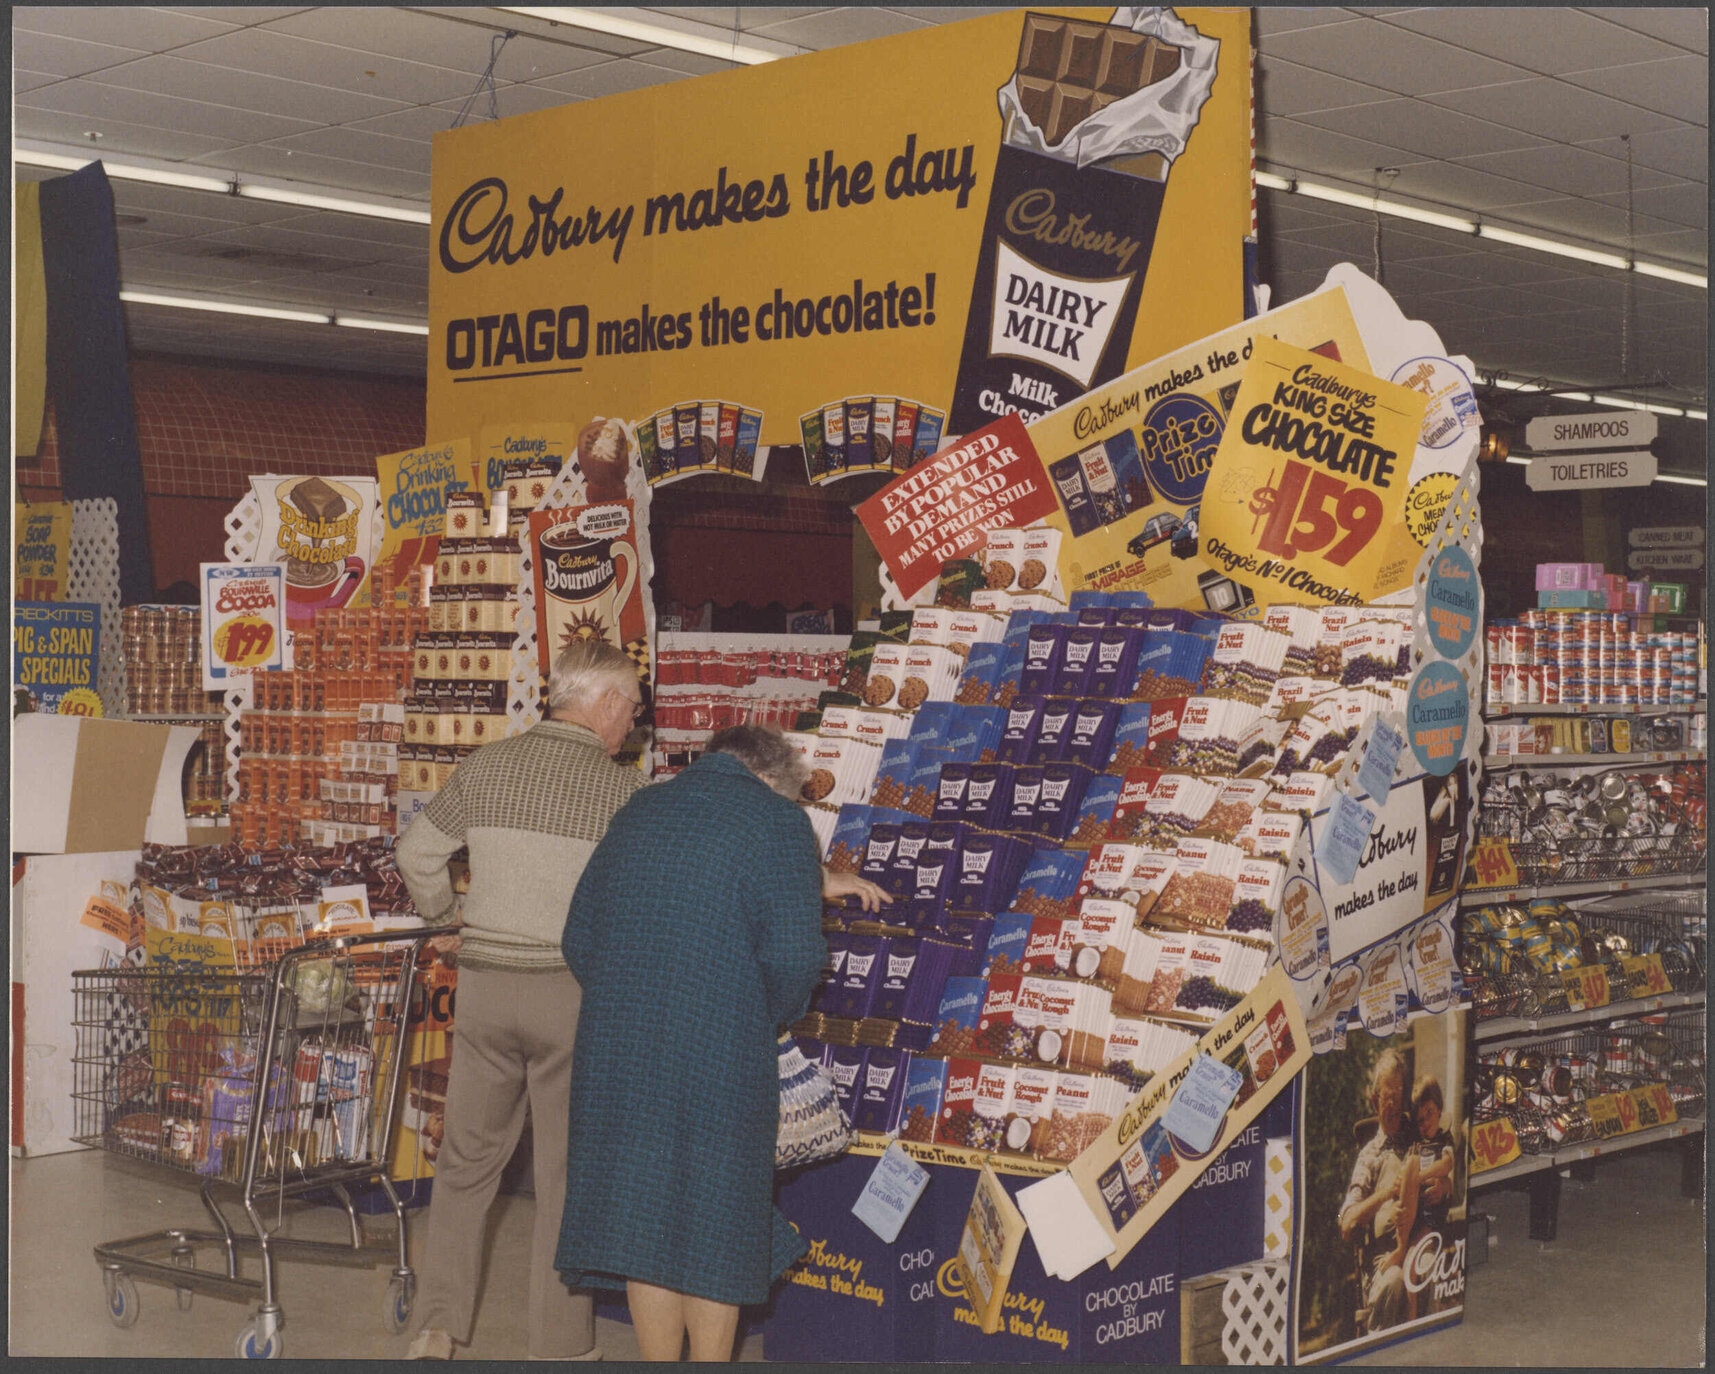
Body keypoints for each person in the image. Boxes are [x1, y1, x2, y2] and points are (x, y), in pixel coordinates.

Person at [397, 639, 650, 1361]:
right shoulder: (623, 793)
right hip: (572, 999)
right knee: (566, 1177)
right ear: (601, 704)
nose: (632, 723)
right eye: (630, 707)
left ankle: (438, 1327)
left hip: (485, 991)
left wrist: (448, 919)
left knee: (466, 1163)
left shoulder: (486, 765)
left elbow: (416, 854)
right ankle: (560, 1346)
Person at [554, 724, 836, 1362]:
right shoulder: (778, 823)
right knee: (718, 1219)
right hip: (722, 1052)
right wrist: (758, 1015)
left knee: (645, 1215)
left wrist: (626, 1003)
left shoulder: (640, 809)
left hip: (619, 1055)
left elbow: (578, 936)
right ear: (771, 776)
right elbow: (796, 957)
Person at [1337, 1048, 1413, 1333]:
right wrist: (1384, 1194)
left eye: (1398, 1094)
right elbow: (1347, 1223)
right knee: (1394, 1280)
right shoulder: (1369, 1156)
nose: (1394, 1105)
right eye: (1387, 1096)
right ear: (1375, 1100)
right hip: (1382, 1260)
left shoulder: (1419, 1137)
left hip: (1419, 1243)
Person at [1387, 1075, 1456, 1320]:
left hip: (1431, 1219)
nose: (1426, 1122)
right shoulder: (1415, 1146)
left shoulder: (1444, 1139)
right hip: (1413, 1215)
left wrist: (1421, 1177)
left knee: (1411, 1265)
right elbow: (1406, 1173)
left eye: (1430, 1112)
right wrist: (1410, 1179)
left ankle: (1412, 1318)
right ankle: (1401, 1246)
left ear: (1439, 1109)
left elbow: (1447, 1164)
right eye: (1420, 1119)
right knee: (1409, 1261)